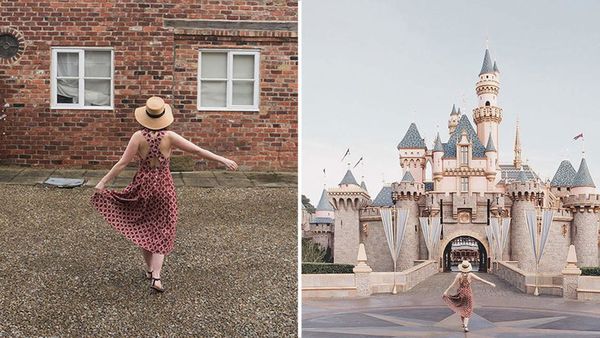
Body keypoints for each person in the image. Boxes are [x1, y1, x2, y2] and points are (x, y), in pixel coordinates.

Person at [91, 96, 238, 292]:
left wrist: (102, 182)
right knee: (163, 230)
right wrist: (222, 159)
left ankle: (151, 270)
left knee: (144, 227)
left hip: (142, 187)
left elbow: (122, 163)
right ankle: (156, 278)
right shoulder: (169, 137)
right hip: (163, 188)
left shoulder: (137, 137)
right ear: (163, 116)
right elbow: (197, 151)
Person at [442, 260, 496, 332]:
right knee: (468, 309)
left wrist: (446, 291)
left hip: (461, 293)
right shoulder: (470, 275)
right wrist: (490, 283)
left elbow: (452, 284)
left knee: (462, 308)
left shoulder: (458, 275)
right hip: (468, 294)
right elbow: (480, 280)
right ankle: (466, 326)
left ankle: (463, 323)